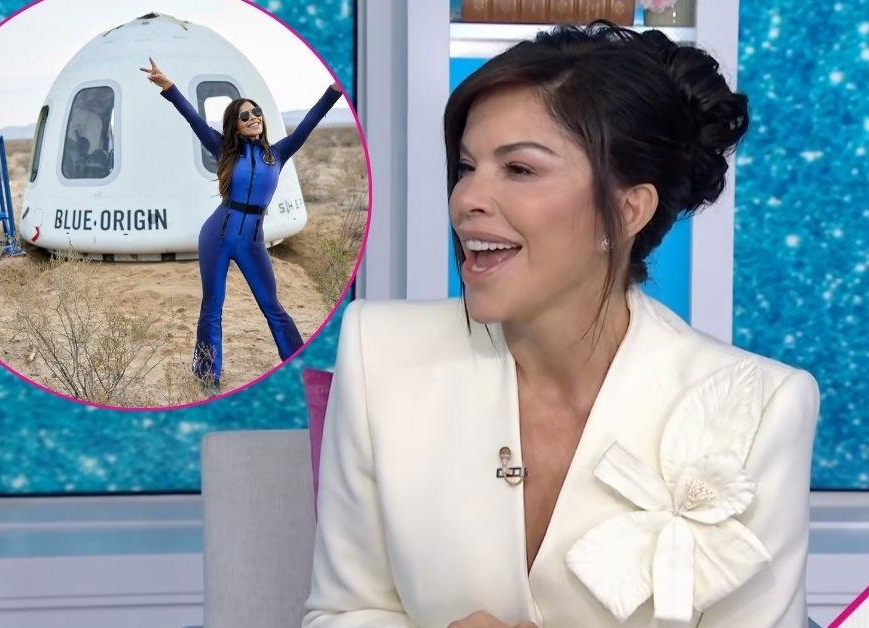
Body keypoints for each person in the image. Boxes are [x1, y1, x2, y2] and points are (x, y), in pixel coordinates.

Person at [303, 22, 820, 628]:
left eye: (519, 169)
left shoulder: (760, 407)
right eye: (466, 167)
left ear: (628, 209)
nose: (466, 199)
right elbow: (344, 612)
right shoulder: (380, 353)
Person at [140, 57, 343, 392]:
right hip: (217, 236)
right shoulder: (223, 149)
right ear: (235, 125)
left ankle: (298, 365)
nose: (254, 118)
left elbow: (310, 121)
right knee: (212, 306)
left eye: (256, 112)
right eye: (245, 115)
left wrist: (335, 90)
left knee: (272, 306)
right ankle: (207, 376)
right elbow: (193, 118)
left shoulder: (278, 153)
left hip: (251, 240)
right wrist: (169, 87)